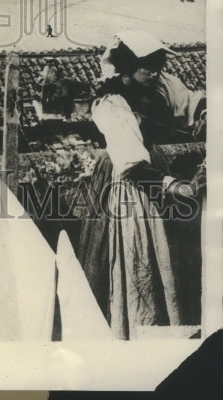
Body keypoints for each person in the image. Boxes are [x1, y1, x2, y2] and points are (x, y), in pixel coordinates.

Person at [77, 31, 206, 339]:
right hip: (131, 183)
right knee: (139, 258)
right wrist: (179, 188)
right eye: (146, 66)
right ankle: (133, 330)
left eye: (157, 64)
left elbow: (190, 105)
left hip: (160, 173)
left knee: (171, 258)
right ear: (126, 66)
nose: (154, 71)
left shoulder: (162, 86)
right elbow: (132, 164)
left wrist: (205, 114)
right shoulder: (110, 104)